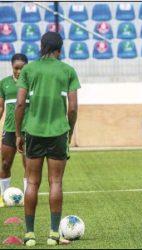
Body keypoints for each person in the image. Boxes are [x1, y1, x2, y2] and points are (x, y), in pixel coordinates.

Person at [15, 31, 80, 246]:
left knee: (32, 182)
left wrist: (18, 133)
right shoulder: (68, 71)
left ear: (41, 47)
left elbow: (20, 104)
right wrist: (69, 130)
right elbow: (72, 108)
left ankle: (30, 234)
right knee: (56, 182)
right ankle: (53, 234)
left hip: (33, 131)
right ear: (60, 49)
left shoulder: (29, 70)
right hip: (58, 132)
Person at [0, 54, 29, 208]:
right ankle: (2, 198)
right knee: (5, 164)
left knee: (28, 166)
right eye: (16, 68)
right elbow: (0, 107)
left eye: (22, 68)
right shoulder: (4, 83)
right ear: (12, 67)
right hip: (10, 130)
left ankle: (27, 198)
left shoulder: (32, 83)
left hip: (28, 130)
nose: (19, 71)